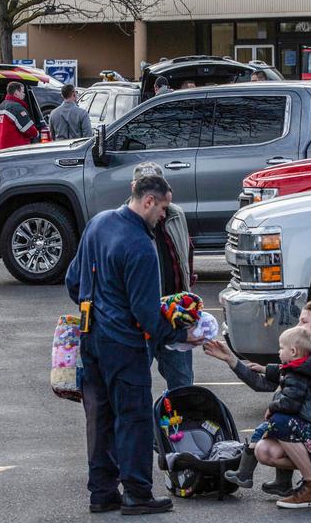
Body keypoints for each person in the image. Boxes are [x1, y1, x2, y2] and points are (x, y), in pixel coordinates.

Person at [66, 174, 196, 515]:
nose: (165, 216)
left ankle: (102, 492)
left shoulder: (98, 223)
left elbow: (72, 280)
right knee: (133, 418)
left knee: (99, 418)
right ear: (148, 201)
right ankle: (138, 493)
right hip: (124, 344)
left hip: (89, 337)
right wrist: (181, 335)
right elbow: (146, 312)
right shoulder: (140, 244)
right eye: (164, 207)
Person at [204, 301, 311, 509]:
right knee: (265, 450)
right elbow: (262, 384)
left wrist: (278, 405)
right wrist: (231, 359)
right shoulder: (309, 357)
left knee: (280, 421)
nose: (297, 326)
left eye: (303, 321)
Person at [223, 326, 311, 488]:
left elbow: (290, 402)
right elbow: (283, 372)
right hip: (293, 420)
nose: (279, 351)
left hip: (292, 420)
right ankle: (282, 484)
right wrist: (265, 369)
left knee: (259, 433)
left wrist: (273, 407)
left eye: (281, 348)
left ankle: (244, 474)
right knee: (278, 440)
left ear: (293, 351)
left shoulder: (298, 375)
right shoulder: (302, 367)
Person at [131, 162, 195, 390]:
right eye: (144, 185)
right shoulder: (126, 223)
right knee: (135, 386)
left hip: (174, 316)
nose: (151, 191)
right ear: (134, 188)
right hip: (141, 321)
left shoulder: (176, 214)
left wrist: (189, 300)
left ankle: (182, 425)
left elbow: (186, 253)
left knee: (183, 384)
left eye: (155, 185)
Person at [0, 81, 38, 150]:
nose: (24, 94)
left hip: (0, 150)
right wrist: (37, 133)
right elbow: (29, 129)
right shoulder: (16, 108)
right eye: (22, 92)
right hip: (15, 150)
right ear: (16, 92)